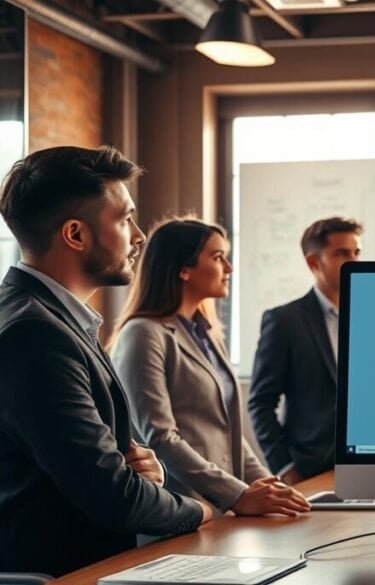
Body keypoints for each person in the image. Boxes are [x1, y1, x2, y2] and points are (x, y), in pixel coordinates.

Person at [0, 146, 211, 576]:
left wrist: (138, 472)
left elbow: (113, 470)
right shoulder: (34, 334)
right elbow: (114, 497)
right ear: (75, 235)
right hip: (65, 573)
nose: (138, 236)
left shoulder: (51, 318)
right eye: (123, 218)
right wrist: (202, 510)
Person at [110, 219, 310, 518]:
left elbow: (228, 431)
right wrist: (238, 494)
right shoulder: (143, 333)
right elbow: (160, 437)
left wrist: (271, 487)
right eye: (217, 257)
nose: (228, 268)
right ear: (184, 269)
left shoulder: (205, 332)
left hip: (222, 508)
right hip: (180, 510)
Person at [249, 217, 362, 484]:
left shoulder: (373, 316)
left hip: (370, 465)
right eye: (342, 253)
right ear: (314, 262)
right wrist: (285, 467)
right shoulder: (284, 321)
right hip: (310, 469)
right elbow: (261, 403)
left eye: (357, 252)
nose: (355, 261)